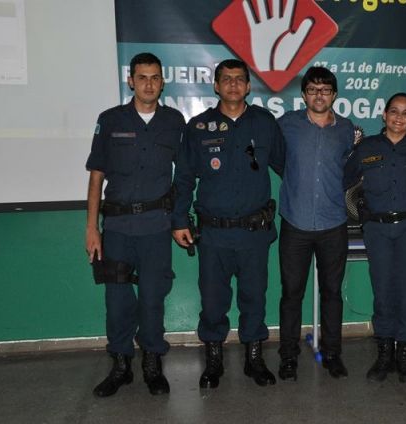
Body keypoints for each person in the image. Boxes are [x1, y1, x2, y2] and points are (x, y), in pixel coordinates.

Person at [171, 59, 285, 389]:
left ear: (248, 86)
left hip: (253, 234)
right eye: (226, 79)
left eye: (239, 79)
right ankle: (214, 361)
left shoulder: (264, 123)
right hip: (214, 234)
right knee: (212, 301)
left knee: (254, 297)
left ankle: (254, 359)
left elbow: (288, 168)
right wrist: (179, 219)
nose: (233, 84)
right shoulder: (198, 127)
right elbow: (184, 178)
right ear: (216, 86)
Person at [85, 52, 185, 397]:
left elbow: (185, 175)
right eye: (142, 77)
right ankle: (121, 364)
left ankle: (152, 363)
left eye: (155, 77)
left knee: (153, 298)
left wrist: (179, 219)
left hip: (156, 227)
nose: (149, 84)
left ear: (162, 82)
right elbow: (96, 177)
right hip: (117, 228)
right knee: (117, 300)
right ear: (130, 81)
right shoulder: (110, 119)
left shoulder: (174, 121)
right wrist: (92, 227)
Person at [344, 92, 406, 384]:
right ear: (384, 115)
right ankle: (384, 354)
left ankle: (404, 356)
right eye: (394, 111)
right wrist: (359, 207)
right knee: (382, 290)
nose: (399, 117)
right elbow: (345, 180)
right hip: (378, 229)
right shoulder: (366, 147)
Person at [276, 67, 355, 381]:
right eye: (312, 89)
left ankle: (332, 354)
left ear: (334, 95)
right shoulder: (286, 125)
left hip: (333, 224)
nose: (319, 95)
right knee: (291, 294)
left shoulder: (346, 129)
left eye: (325, 90)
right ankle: (288, 357)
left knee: (332, 293)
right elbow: (277, 161)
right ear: (303, 94)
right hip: (295, 223)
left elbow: (350, 167)